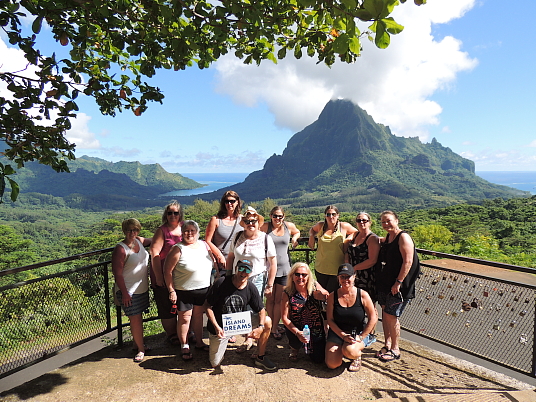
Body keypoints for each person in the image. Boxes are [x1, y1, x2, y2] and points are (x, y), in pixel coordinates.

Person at [204, 259, 277, 372]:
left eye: (247, 270)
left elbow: (261, 309)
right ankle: (219, 347)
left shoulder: (251, 287)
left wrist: (260, 327)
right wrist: (216, 327)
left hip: (241, 323)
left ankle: (260, 357)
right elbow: (207, 306)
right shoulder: (221, 282)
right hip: (220, 327)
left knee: (267, 320)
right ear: (236, 269)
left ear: (251, 272)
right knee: (215, 363)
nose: (243, 272)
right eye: (241, 268)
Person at [164, 220, 214, 360]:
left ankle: (199, 342)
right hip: (184, 290)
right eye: (186, 230)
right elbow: (167, 271)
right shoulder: (177, 249)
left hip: (203, 289)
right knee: (185, 318)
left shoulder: (204, 245)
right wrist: (171, 290)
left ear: (197, 232)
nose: (189, 233)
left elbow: (213, 261)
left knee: (198, 317)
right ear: (182, 233)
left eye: (192, 230)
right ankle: (184, 345)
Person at [376, 210, 420, 362]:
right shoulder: (388, 237)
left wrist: (398, 282)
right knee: (385, 313)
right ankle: (387, 344)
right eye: (383, 222)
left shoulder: (403, 237)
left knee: (392, 315)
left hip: (399, 285)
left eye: (388, 220)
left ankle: (395, 348)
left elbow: (408, 262)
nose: (386, 224)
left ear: (396, 220)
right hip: (386, 283)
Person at [112, 218, 152, 363]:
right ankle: (141, 350)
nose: (132, 233)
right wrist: (124, 293)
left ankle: (137, 344)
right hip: (128, 291)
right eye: (129, 230)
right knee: (135, 320)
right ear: (124, 231)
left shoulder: (139, 241)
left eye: (135, 230)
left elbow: (154, 240)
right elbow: (117, 274)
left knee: (138, 318)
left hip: (141, 288)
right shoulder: (121, 249)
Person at [325, 263, 378, 372]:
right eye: (342, 277)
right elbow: (330, 320)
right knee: (332, 364)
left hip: (357, 333)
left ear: (354, 276)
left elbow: (373, 317)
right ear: (338, 278)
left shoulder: (363, 295)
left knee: (350, 351)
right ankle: (341, 348)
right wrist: (343, 336)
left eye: (348, 276)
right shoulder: (332, 296)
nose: (345, 280)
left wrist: (362, 336)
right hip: (338, 332)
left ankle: (356, 356)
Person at [261, 206, 300, 340]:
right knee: (270, 299)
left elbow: (297, 231)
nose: (277, 218)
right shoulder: (265, 227)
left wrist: (294, 239)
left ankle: (275, 326)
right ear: (270, 215)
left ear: (284, 217)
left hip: (285, 269)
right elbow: (250, 230)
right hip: (268, 268)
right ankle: (271, 325)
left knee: (279, 300)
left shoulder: (288, 226)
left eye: (280, 216)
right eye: (275, 216)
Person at [149, 201, 183, 345]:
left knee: (182, 305)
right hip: (163, 273)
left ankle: (185, 332)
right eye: (170, 213)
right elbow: (154, 252)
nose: (173, 215)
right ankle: (172, 335)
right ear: (166, 215)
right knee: (166, 305)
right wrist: (158, 276)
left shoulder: (185, 228)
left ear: (180, 214)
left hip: (181, 275)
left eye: (176, 213)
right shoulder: (162, 230)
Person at [281, 262, 328, 363]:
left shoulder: (314, 286)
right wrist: (298, 333)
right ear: (292, 276)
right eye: (297, 274)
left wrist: (323, 296)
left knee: (319, 360)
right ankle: (295, 348)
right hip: (297, 327)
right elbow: (284, 318)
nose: (300, 277)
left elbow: (326, 294)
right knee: (296, 341)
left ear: (308, 276)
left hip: (315, 326)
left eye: (304, 275)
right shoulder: (287, 292)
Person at [308, 205, 357, 294]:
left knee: (332, 295)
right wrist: (311, 236)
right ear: (325, 216)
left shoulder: (343, 226)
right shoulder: (320, 226)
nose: (331, 217)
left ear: (338, 215)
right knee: (321, 294)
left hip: (337, 269)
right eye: (328, 214)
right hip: (321, 268)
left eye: (333, 214)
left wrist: (348, 239)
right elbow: (312, 230)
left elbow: (357, 232)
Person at [343, 212, 380, 302]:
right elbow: (348, 251)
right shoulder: (355, 235)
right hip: (353, 275)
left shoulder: (372, 238)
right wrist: (348, 267)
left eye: (364, 220)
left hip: (366, 277)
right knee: (354, 302)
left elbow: (372, 260)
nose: (361, 222)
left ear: (369, 222)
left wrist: (354, 268)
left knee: (368, 304)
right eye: (359, 220)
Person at [205, 191, 242, 277]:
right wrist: (219, 255)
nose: (229, 203)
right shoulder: (216, 220)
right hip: (221, 264)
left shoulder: (242, 220)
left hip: (238, 263)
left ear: (237, 202)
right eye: (227, 201)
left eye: (232, 201)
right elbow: (208, 240)